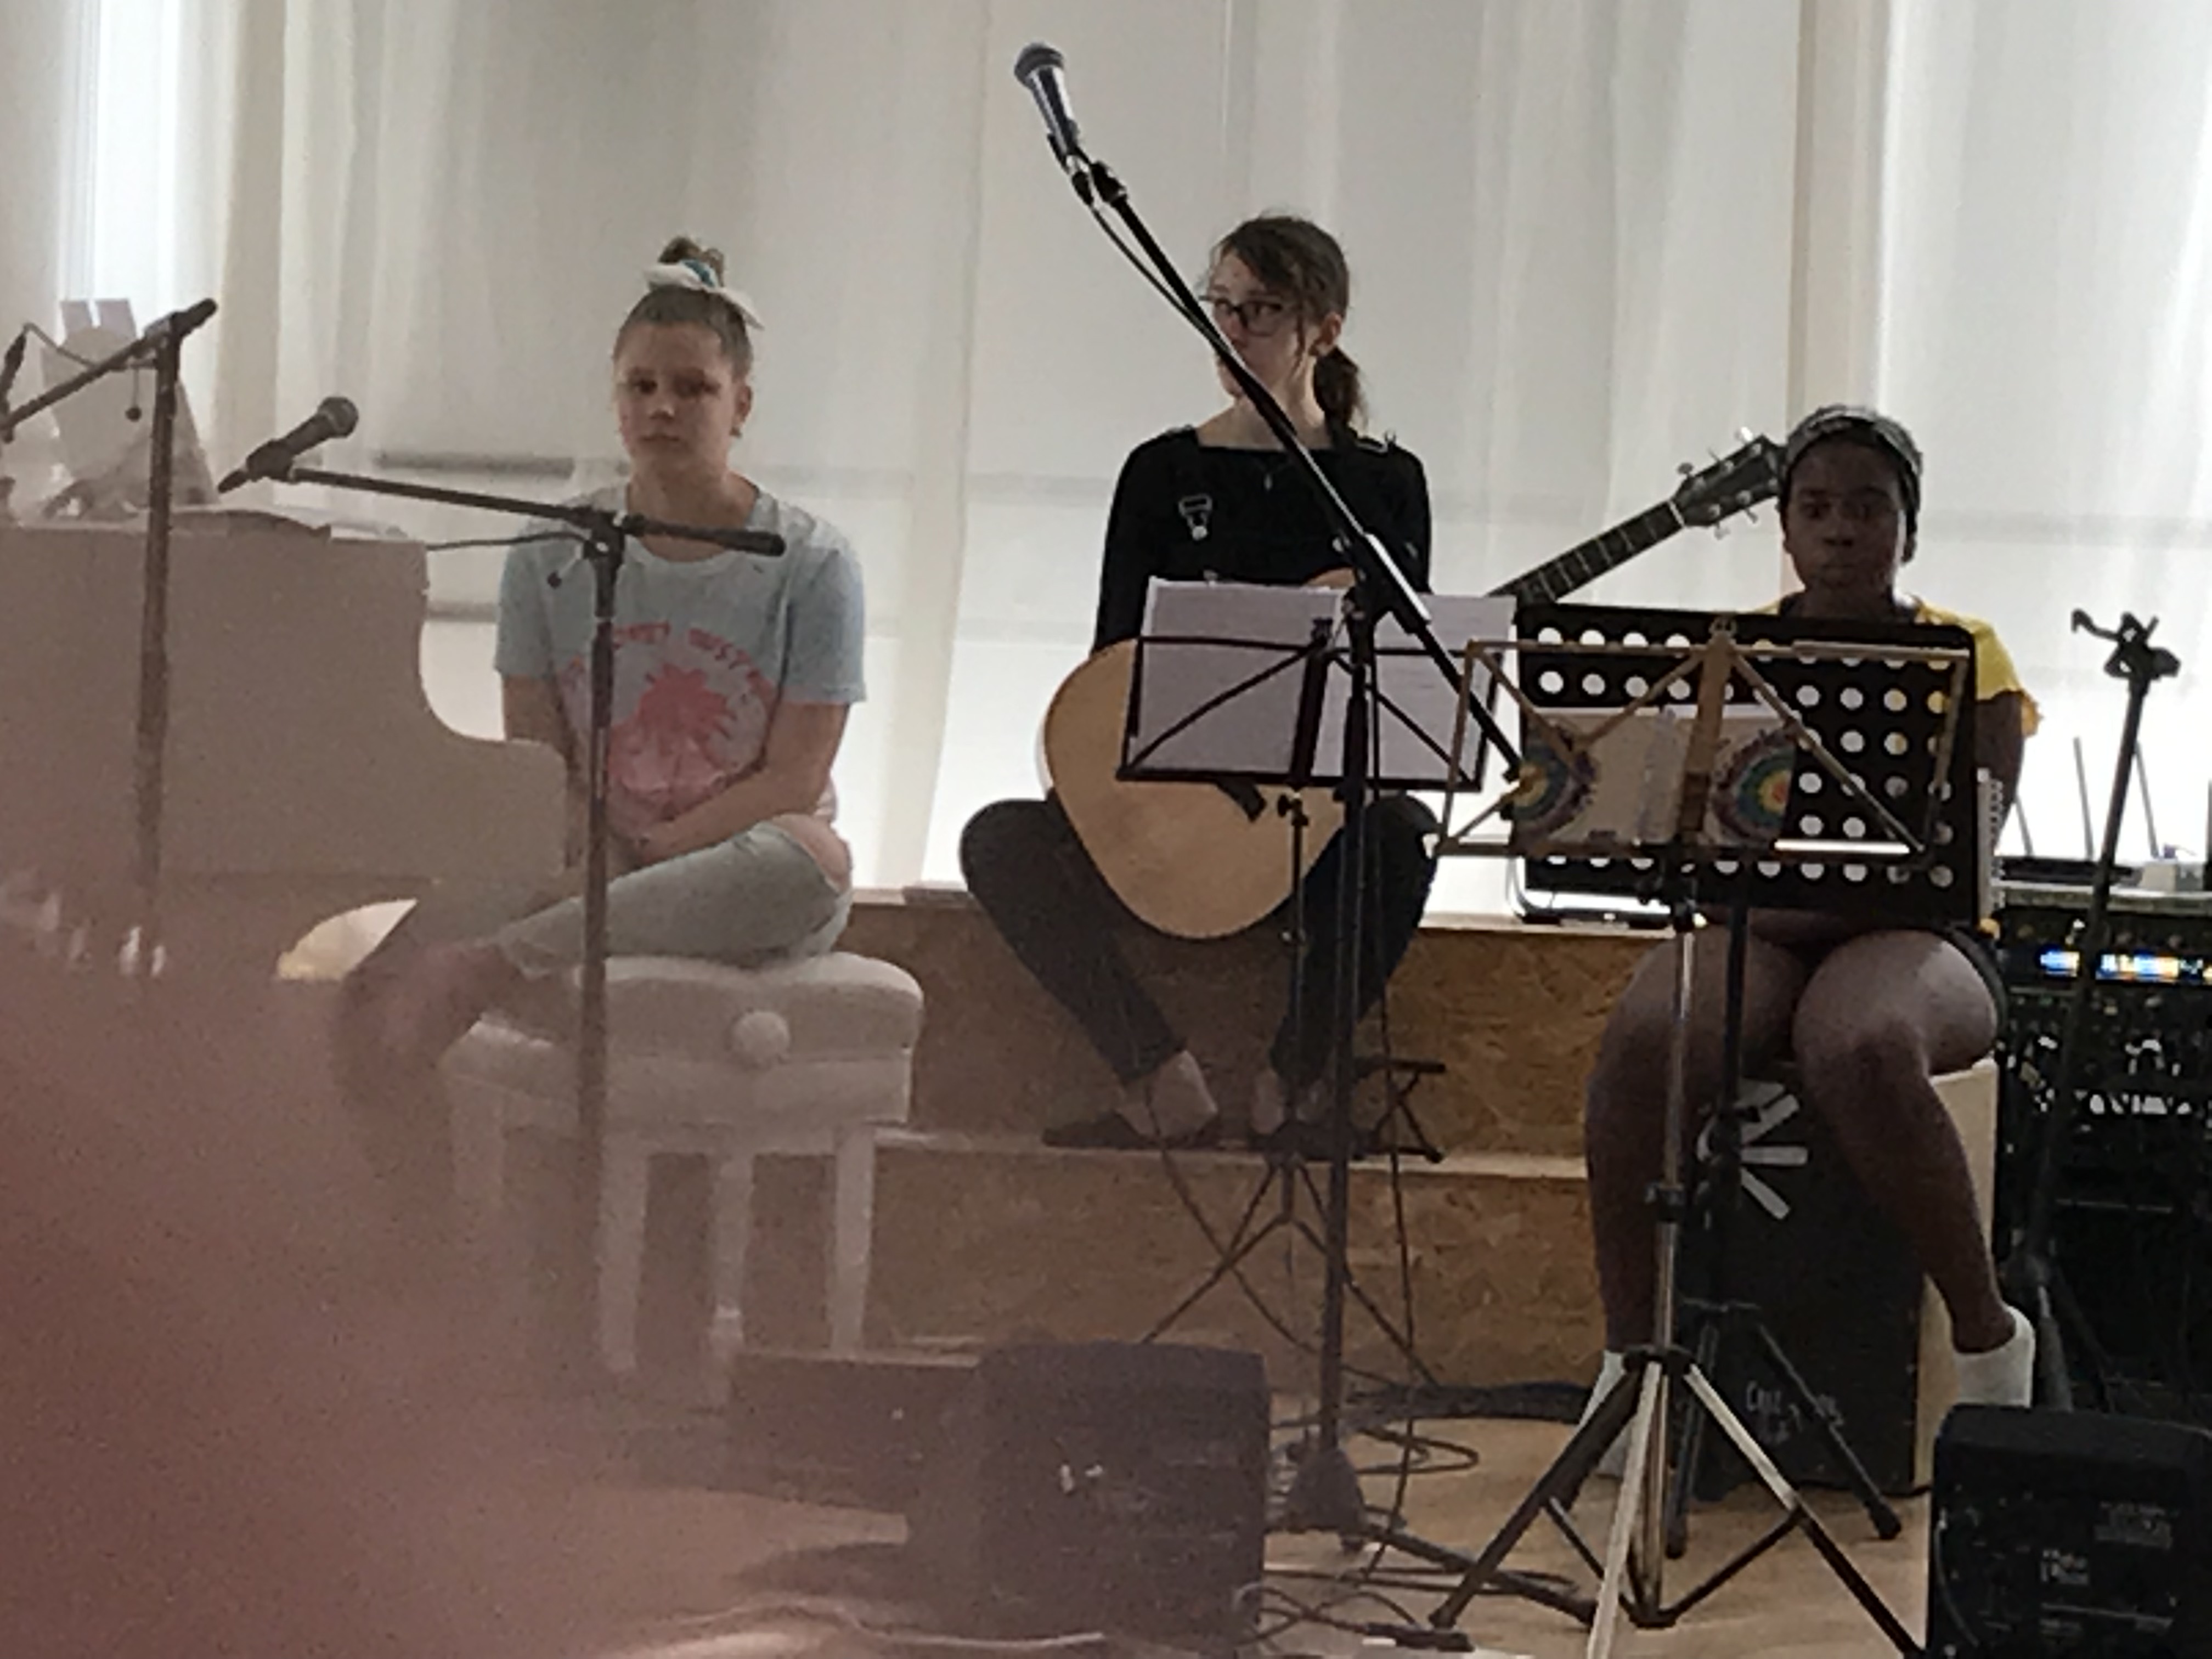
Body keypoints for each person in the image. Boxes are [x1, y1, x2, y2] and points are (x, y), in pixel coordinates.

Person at [336, 235, 866, 1226]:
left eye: (694, 389)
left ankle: (504, 961)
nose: (663, 408)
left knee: (810, 860)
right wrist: (593, 843)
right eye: (641, 386)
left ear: (742, 404)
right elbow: (538, 758)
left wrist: (648, 857)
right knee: (376, 990)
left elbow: (794, 780)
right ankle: (413, 1235)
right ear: (615, 399)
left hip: (736, 861)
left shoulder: (813, 563)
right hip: (587, 844)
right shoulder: (550, 548)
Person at [1579, 404, 2039, 1434]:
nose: (1839, 530)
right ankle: (1630, 1360)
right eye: (1817, 509)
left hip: (1920, 933)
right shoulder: (1734, 656)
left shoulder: (1971, 652)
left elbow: (1967, 862)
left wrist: (1810, 907)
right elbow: (1702, 841)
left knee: (1862, 1043)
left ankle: (1987, 1337)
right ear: (1784, 528)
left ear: (1908, 530)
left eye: (1867, 509)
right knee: (1650, 1036)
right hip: (1768, 923)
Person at [959, 214, 1437, 1152]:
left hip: (1306, 830)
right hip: (1172, 816)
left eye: (1262, 310)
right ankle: (1157, 1078)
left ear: (1324, 330)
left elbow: (1397, 686)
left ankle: (1290, 1083)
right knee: (1000, 841)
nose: (1234, 330)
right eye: (1221, 306)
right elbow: (1112, 666)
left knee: (1402, 838)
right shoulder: (1161, 471)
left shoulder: (1385, 485)